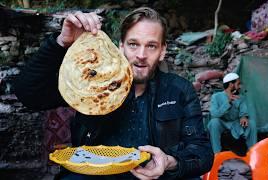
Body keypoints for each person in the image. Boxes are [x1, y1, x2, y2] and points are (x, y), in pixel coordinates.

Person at [14, 7, 213, 179]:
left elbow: (202, 153)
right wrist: (61, 43)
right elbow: (27, 93)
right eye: (133, 44)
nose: (141, 55)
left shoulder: (179, 90)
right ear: (121, 47)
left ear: (162, 51)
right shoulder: (91, 85)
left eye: (151, 46)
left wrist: (169, 162)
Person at [207, 73, 257, 154]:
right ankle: (216, 153)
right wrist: (228, 102)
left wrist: (243, 117)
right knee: (214, 122)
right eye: (238, 84)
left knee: (252, 123)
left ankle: (252, 152)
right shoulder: (216, 97)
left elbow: (243, 112)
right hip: (222, 123)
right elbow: (214, 114)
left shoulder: (241, 97)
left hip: (235, 123)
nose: (240, 86)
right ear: (231, 84)